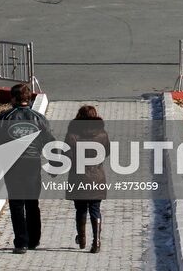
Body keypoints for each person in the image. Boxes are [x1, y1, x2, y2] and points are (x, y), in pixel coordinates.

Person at [0, 82, 54, 255]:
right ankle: (34, 239)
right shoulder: (39, 118)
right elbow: (49, 142)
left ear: (13, 99)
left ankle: (21, 243)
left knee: (16, 203)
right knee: (32, 202)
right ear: (29, 98)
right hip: (33, 163)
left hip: (13, 163)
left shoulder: (5, 117)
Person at [65, 104, 110, 254]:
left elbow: (67, 155)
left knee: (81, 209)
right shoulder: (102, 134)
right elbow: (107, 152)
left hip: (78, 177)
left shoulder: (72, 134)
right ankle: (96, 242)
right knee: (95, 209)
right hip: (97, 176)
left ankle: (82, 238)